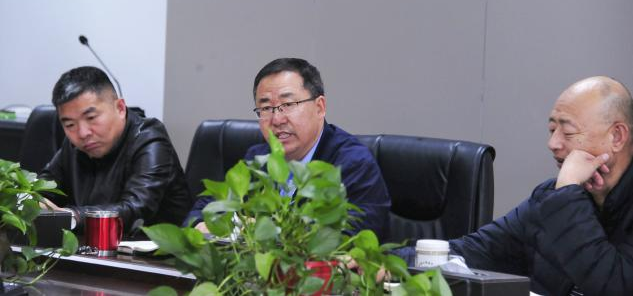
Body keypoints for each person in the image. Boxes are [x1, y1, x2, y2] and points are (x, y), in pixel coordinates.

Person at [401, 76, 633, 295]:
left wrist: (566, 193)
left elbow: (614, 286)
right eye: (552, 130)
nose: (552, 143)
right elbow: (474, 252)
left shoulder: (562, 197)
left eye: (568, 132)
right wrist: (387, 261)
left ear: (617, 137)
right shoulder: (550, 198)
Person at [187, 58, 391, 241]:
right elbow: (203, 209)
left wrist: (264, 229)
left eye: (288, 104)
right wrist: (200, 224)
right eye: (266, 108)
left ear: (319, 107)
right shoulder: (259, 157)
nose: (277, 119)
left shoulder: (353, 163)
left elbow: (350, 238)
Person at [40, 66, 192, 235]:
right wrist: (33, 202)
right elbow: (44, 187)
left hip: (154, 250)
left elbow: (135, 208)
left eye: (91, 118)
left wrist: (72, 216)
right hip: (93, 247)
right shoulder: (73, 145)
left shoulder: (150, 139)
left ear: (120, 108)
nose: (83, 133)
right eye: (70, 125)